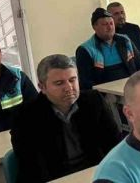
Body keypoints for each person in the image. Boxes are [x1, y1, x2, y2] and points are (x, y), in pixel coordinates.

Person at [11, 54, 122, 182]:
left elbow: (115, 145)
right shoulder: (25, 116)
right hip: (55, 178)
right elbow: (32, 168)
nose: (69, 88)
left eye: (72, 80)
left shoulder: (94, 101)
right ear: (42, 87)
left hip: (94, 174)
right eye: (59, 83)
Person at [76, 8, 140, 90]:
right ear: (94, 27)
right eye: (105, 24)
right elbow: (86, 83)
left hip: (132, 88)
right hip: (104, 94)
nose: (109, 27)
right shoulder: (85, 49)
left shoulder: (125, 41)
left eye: (111, 23)